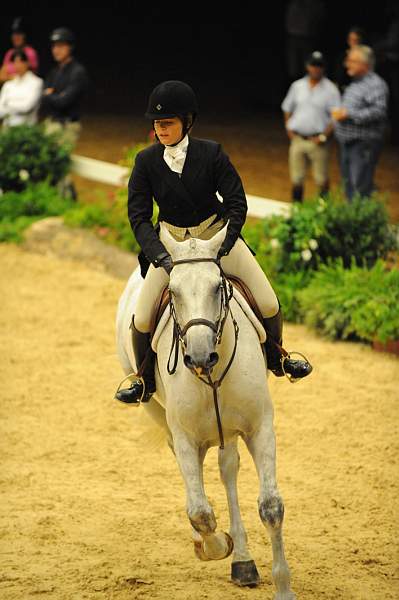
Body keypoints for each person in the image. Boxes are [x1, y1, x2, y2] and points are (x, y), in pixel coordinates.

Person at [115, 80, 313, 404]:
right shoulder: (145, 162)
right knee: (142, 317)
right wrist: (160, 256)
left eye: (167, 123)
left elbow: (237, 203)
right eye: (157, 123)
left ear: (187, 122)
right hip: (170, 246)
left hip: (216, 237)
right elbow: (138, 217)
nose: (160, 129)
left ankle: (278, 357)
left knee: (268, 301)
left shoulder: (212, 153)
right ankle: (144, 379)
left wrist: (226, 243)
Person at [281, 51, 340, 202]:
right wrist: (288, 128)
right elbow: (287, 107)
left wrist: (324, 136)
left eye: (319, 65)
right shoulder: (297, 86)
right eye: (313, 65)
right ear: (308, 66)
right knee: (296, 178)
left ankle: (323, 209)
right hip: (298, 138)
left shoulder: (331, 89)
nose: (316, 68)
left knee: (321, 178)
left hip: (318, 141)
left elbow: (336, 117)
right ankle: (297, 209)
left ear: (324, 68)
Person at [332, 45, 389, 201]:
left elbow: (379, 111)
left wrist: (349, 114)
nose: (347, 64)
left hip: (363, 144)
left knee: (360, 186)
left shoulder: (375, 84)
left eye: (351, 61)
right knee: (348, 184)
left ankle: (359, 221)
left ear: (364, 64)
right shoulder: (356, 83)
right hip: (347, 143)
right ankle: (352, 219)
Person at [40, 27, 89, 199]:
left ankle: (68, 200)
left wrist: (51, 95)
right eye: (54, 46)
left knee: (61, 164)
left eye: (61, 45)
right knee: (47, 162)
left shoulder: (78, 72)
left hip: (67, 125)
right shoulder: (54, 72)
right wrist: (53, 95)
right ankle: (55, 199)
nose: (56, 50)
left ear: (70, 47)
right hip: (51, 122)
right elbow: (43, 97)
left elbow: (64, 101)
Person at [0, 50, 43, 127]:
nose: (17, 65)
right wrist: (17, 105)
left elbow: (27, 107)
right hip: (8, 129)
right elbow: (0, 110)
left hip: (28, 129)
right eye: (15, 63)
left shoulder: (36, 82)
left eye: (20, 62)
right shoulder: (8, 85)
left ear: (27, 63)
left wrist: (8, 103)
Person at [0, 17, 39, 83]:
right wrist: (15, 77)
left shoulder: (30, 52)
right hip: (9, 89)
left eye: (19, 34)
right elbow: (1, 76)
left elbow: (29, 77)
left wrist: (10, 77)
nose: (16, 37)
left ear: (24, 35)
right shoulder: (9, 53)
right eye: (14, 34)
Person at [334, 26, 366, 93]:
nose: (353, 43)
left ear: (361, 40)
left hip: (359, 89)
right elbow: (338, 76)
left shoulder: (366, 57)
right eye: (351, 39)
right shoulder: (342, 56)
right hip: (342, 90)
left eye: (356, 40)